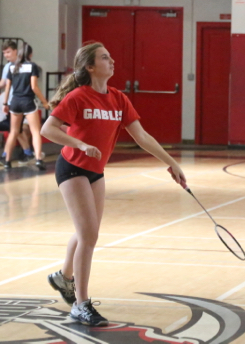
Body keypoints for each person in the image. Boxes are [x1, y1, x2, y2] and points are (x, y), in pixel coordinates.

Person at [41, 42, 186, 326]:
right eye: (105, 58)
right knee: (89, 235)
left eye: (111, 56)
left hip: (96, 171)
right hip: (72, 168)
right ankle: (81, 305)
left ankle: (63, 277)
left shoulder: (118, 99)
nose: (112, 61)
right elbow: (49, 129)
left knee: (88, 231)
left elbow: (142, 137)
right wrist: (79, 143)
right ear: (90, 67)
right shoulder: (78, 97)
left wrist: (171, 162)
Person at [0, 41, 40, 165]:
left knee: (21, 130)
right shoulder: (9, 66)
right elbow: (4, 85)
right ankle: (29, 154)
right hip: (15, 102)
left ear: (16, 51)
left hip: (23, 100)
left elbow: (28, 86)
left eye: (8, 52)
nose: (6, 55)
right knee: (18, 130)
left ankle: (16, 155)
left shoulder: (26, 65)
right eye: (4, 53)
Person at [1, 45, 50, 170]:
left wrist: (5, 103)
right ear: (31, 54)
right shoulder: (32, 66)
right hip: (28, 101)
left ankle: (7, 161)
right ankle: (39, 159)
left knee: (13, 132)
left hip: (15, 102)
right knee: (35, 132)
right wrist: (45, 102)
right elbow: (34, 87)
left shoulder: (12, 67)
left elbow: (7, 87)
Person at [0, 92, 33, 165]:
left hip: (5, 119)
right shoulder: (12, 96)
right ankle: (28, 153)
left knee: (19, 128)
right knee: (17, 129)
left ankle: (5, 156)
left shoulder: (14, 94)